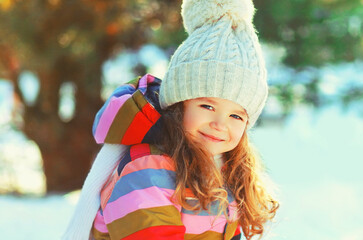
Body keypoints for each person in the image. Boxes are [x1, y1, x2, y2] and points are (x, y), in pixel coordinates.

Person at [62, 0, 279, 239]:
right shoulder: (148, 170)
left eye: (236, 115)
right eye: (207, 105)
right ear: (178, 106)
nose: (220, 123)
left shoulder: (230, 172)